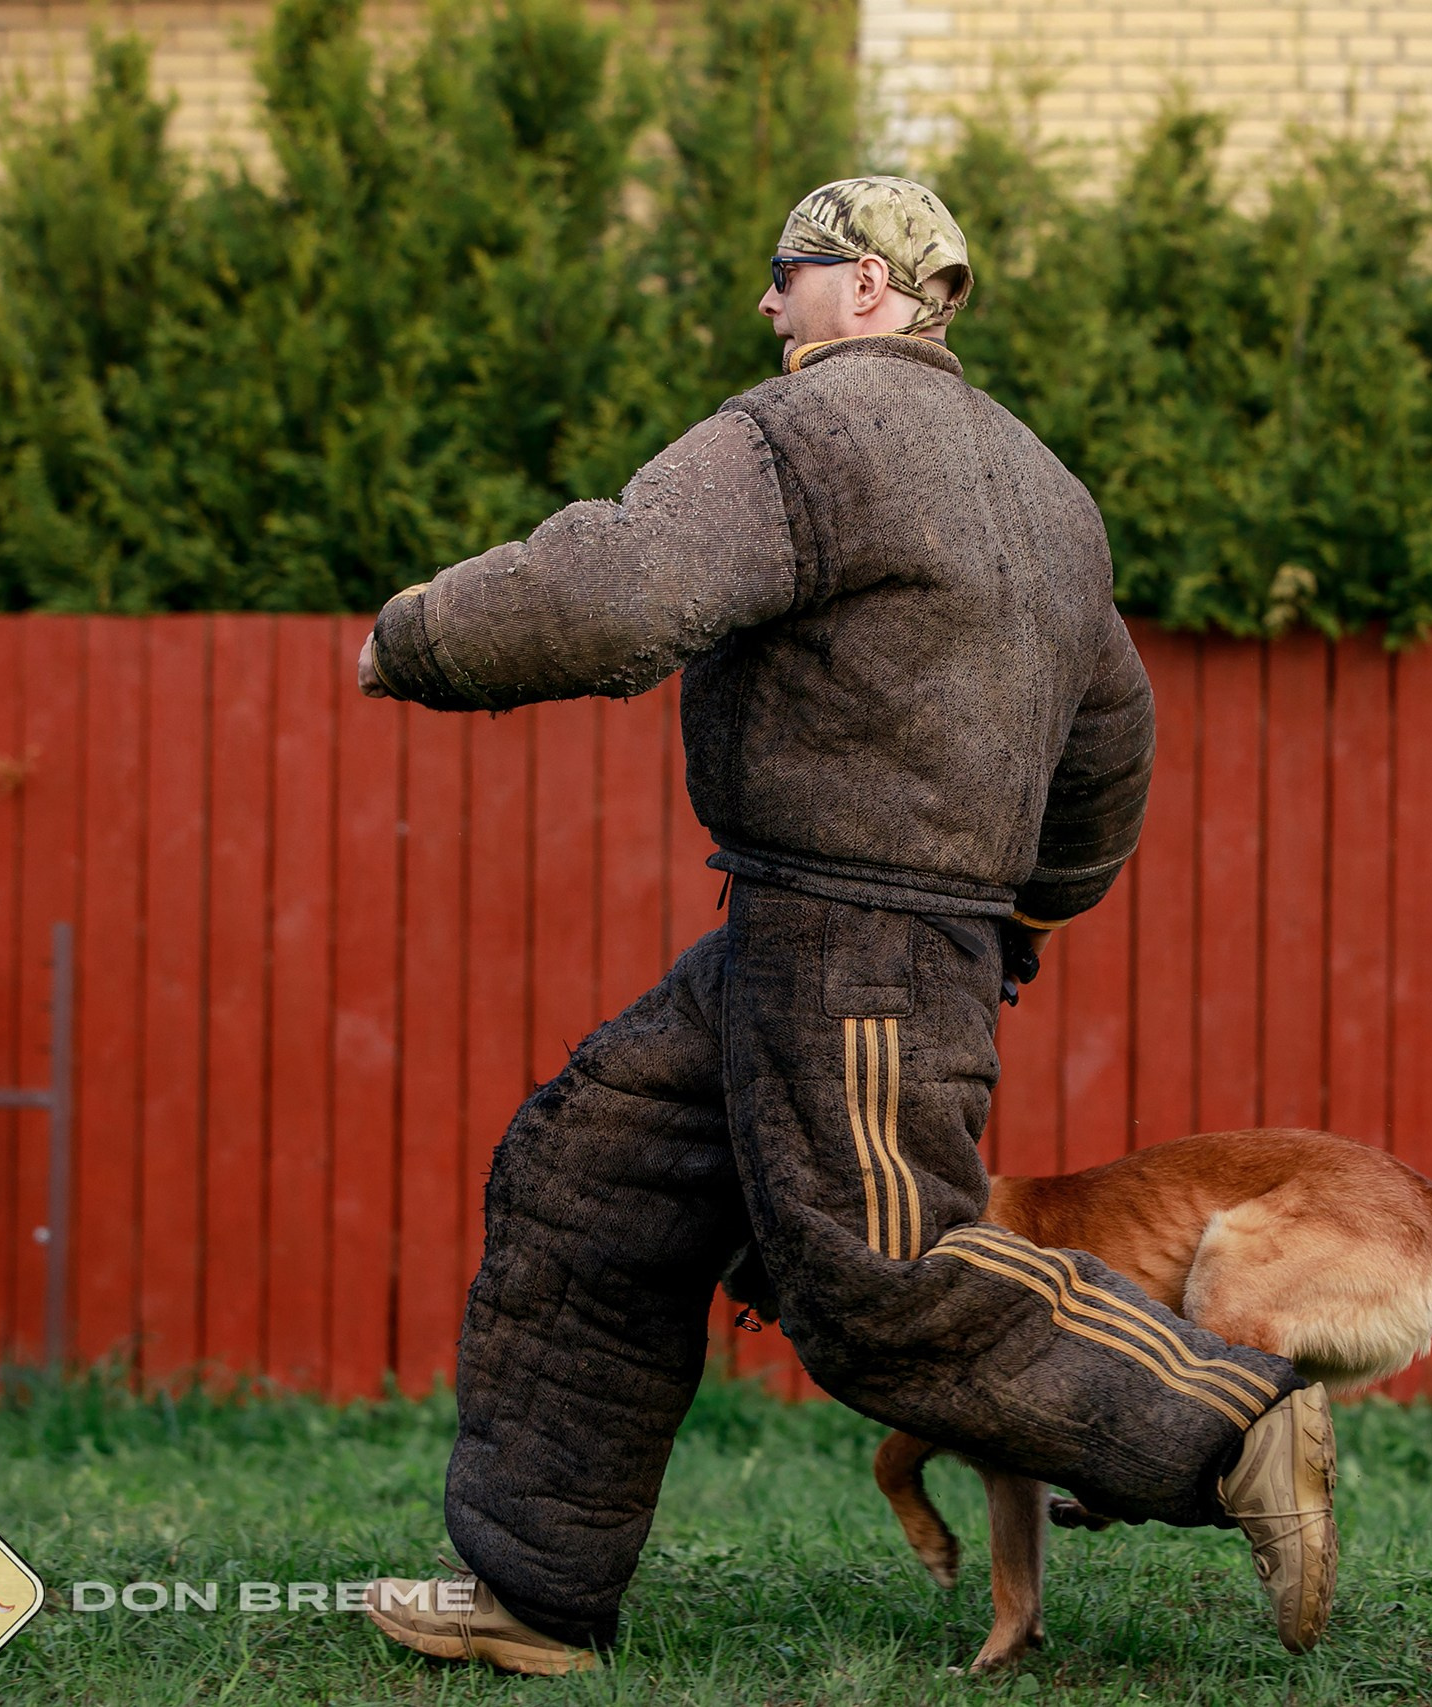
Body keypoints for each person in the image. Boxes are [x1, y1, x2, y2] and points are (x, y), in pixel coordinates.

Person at [352, 176, 1338, 1676]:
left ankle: (1237, 1420)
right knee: (591, 1179)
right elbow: (1112, 739)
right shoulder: (1044, 487)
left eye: (788, 271)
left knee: (888, 1277)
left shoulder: (803, 434)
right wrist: (1034, 904)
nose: (767, 302)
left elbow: (620, 587)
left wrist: (420, 638)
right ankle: (534, 1595)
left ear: (868, 291)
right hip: (809, 931)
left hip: (853, 942)